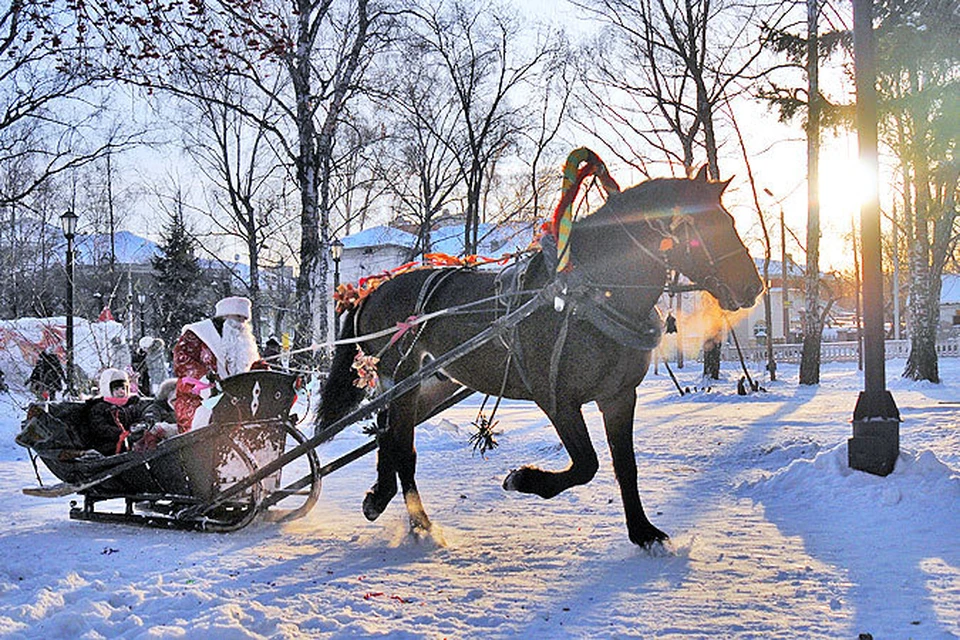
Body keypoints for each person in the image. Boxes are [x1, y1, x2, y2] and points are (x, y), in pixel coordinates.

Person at [172, 296, 264, 432]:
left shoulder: (244, 342)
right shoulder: (197, 333)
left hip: (235, 399)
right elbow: (182, 361)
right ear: (224, 316)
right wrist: (205, 381)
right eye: (238, 318)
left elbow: (253, 366)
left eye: (244, 320)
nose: (241, 324)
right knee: (212, 418)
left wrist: (264, 372)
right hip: (196, 398)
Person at [79, 368, 148, 456]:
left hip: (130, 442)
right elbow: (99, 427)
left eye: (123, 388)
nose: (121, 391)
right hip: (108, 445)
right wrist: (120, 434)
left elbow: (139, 417)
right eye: (117, 389)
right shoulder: (99, 408)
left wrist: (137, 428)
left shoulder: (132, 405)